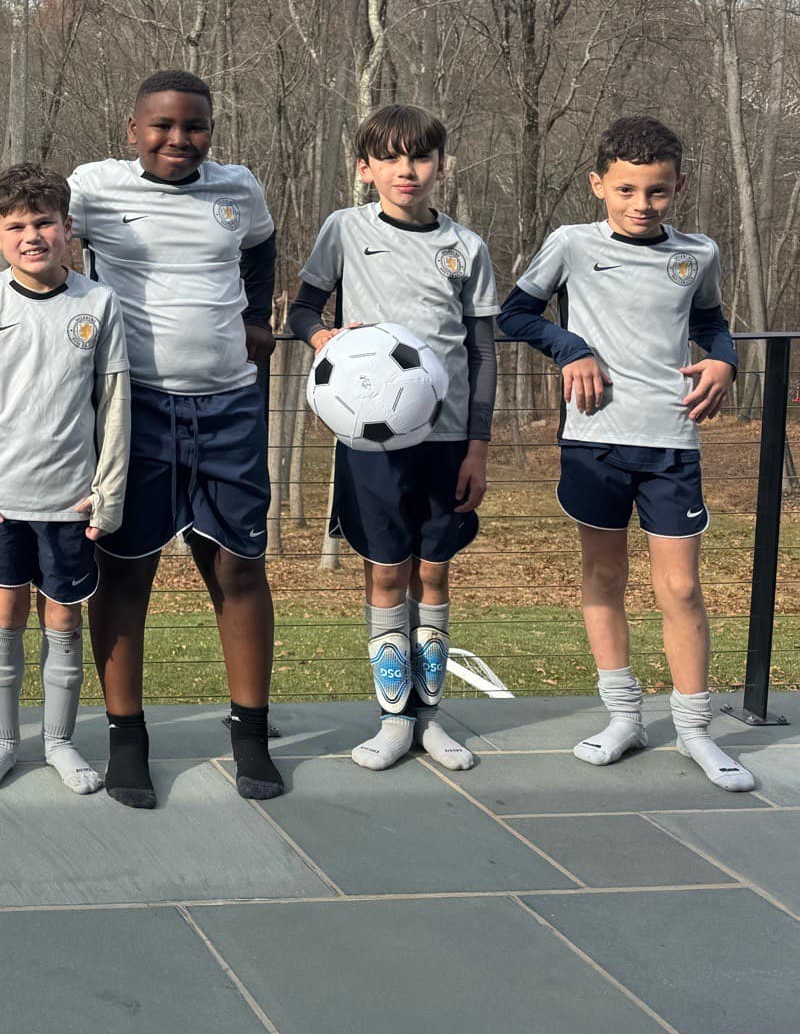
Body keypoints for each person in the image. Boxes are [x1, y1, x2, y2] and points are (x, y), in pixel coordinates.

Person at [501, 116, 752, 792]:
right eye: (628, 189)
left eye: (659, 191)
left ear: (678, 187)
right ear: (598, 185)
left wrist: (725, 362)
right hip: (593, 440)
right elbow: (514, 315)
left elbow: (710, 323)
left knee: (681, 587)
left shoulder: (698, 252)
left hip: (671, 440)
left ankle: (697, 732)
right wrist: (571, 347)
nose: (643, 203)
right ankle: (623, 718)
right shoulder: (571, 245)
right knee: (604, 577)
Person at [66, 69, 283, 807]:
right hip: (136, 412)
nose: (178, 139)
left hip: (230, 408)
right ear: (132, 130)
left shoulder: (238, 190)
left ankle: (249, 733)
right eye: (161, 126)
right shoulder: (91, 188)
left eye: (194, 127)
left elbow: (261, 245)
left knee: (239, 571)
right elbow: (30, 239)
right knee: (126, 572)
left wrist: (257, 315)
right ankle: (127, 737)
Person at [288, 105, 489, 773]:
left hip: (449, 438)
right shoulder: (345, 229)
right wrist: (323, 340)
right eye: (391, 158)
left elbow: (482, 353)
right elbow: (301, 309)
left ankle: (431, 721)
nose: (408, 171)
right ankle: (392, 721)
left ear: (439, 165)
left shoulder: (467, 246)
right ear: (365, 167)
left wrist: (479, 446)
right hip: (372, 439)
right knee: (385, 572)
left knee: (433, 570)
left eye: (421, 158)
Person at [0, 163, 130, 796]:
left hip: (70, 502)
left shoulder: (98, 303)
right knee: (3, 617)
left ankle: (59, 742)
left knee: (64, 623)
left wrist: (108, 494)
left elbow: (113, 407)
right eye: (15, 226)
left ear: (67, 228)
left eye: (44, 222)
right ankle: (1, 742)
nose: (32, 236)